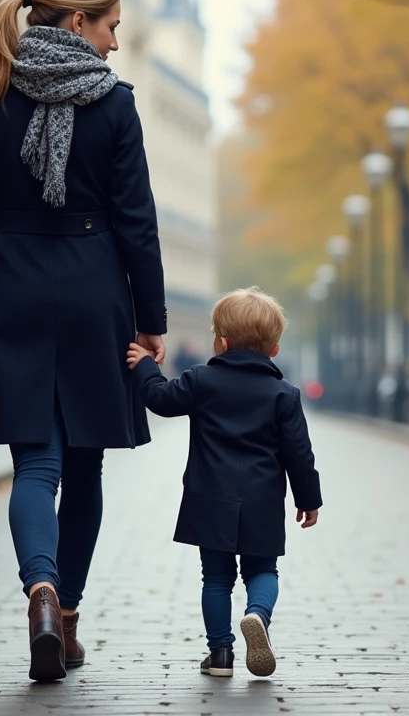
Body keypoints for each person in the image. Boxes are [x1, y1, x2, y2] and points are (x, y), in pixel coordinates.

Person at [0, 0, 167, 683]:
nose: (115, 45)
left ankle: (38, 587)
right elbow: (137, 223)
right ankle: (65, 616)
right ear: (78, 24)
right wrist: (151, 320)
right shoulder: (115, 103)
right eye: (111, 28)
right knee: (87, 461)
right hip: (96, 288)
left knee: (36, 463)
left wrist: (3, 251)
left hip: (14, 292)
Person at [126, 287, 322, 679]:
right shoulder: (284, 395)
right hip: (263, 502)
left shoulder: (202, 380)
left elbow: (160, 399)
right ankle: (257, 615)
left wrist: (145, 364)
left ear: (222, 342)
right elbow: (299, 454)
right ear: (276, 349)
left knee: (215, 577)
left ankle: (220, 655)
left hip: (209, 499)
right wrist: (308, 499)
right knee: (262, 571)